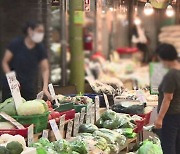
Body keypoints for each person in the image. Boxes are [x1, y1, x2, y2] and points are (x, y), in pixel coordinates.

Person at [2, 20, 51, 101]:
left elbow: (45, 69)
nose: (41, 34)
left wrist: (45, 88)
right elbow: (5, 62)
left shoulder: (40, 48)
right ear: (30, 31)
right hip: (12, 86)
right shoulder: (16, 43)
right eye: (39, 31)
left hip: (29, 86)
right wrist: (13, 80)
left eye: (42, 32)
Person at [154, 43, 180, 154]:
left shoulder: (171, 75)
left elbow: (168, 98)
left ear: (165, 58)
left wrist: (160, 118)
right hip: (178, 113)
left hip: (170, 116)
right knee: (177, 144)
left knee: (168, 146)